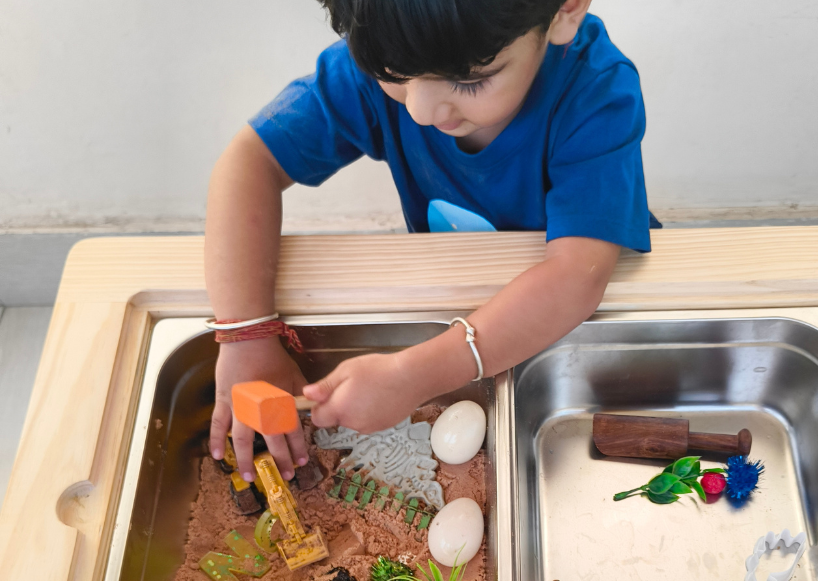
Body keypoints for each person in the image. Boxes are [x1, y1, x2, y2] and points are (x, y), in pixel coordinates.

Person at [206, 0, 659, 482]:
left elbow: (575, 277)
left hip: (603, 300)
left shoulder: (596, 90)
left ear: (566, 10)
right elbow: (250, 161)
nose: (420, 110)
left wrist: (415, 375)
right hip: (467, 292)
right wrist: (246, 336)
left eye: (469, 80)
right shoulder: (396, 41)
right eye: (394, 76)